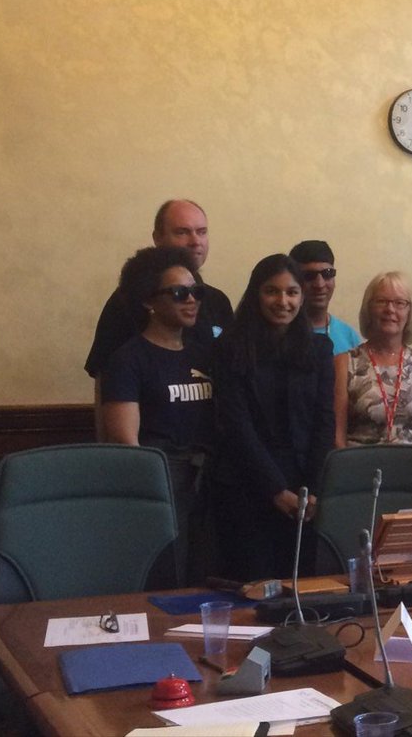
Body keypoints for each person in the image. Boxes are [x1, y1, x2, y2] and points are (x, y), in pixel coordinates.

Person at [210, 254, 335, 581]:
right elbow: (237, 425)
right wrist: (276, 490)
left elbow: (324, 421)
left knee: (302, 588)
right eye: (272, 292)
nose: (283, 301)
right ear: (256, 294)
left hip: (304, 491)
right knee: (252, 589)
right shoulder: (230, 346)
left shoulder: (320, 349)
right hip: (246, 486)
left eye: (292, 292)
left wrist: (312, 491)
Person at [99, 246, 214, 582]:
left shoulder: (206, 355)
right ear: (149, 300)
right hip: (162, 480)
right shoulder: (129, 360)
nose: (191, 300)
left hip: (208, 481)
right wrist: (152, 499)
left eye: (196, 292)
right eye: (179, 293)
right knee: (169, 577)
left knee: (208, 575)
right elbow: (124, 439)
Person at [86, 200, 233, 434]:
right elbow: (106, 382)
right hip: (151, 449)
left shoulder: (217, 301)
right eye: (182, 232)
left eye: (202, 232)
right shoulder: (127, 301)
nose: (195, 241)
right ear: (157, 238)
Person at [335, 271, 412, 447]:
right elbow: (337, 438)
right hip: (360, 469)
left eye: (399, 303)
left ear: (411, 311)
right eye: (381, 301)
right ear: (369, 308)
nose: (390, 309)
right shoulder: (344, 364)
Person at [289, 239, 362, 355]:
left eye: (327, 273)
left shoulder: (349, 336)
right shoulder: (280, 333)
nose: (320, 284)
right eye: (309, 276)